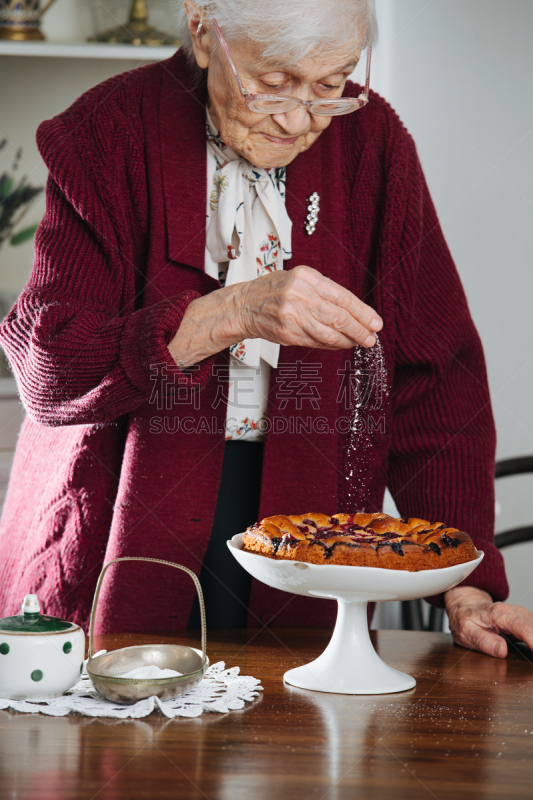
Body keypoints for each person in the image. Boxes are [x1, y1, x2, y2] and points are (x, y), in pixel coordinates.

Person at [0, 0, 531, 659]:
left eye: (329, 85)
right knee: (118, 746)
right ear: (201, 29)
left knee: (296, 734)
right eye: (274, 82)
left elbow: (436, 377)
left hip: (309, 516)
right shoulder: (103, 131)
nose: (299, 118)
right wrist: (229, 313)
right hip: (120, 512)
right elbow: (51, 369)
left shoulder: (373, 142)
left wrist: (467, 584)